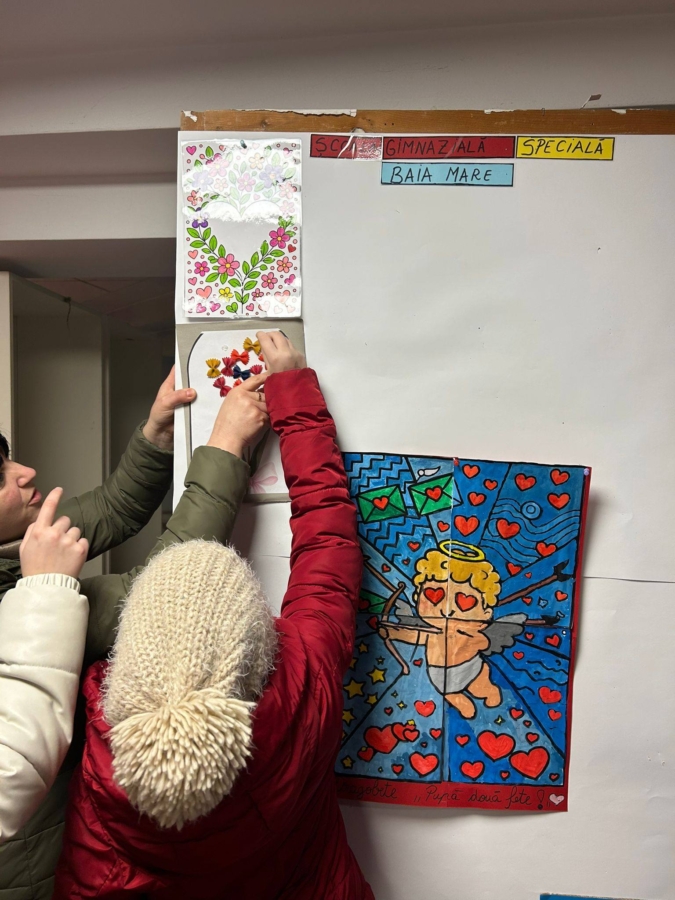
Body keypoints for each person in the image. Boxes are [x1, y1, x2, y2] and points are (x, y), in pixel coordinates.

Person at [54, 332, 374, 900]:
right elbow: (329, 541)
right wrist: (294, 397)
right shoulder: (305, 678)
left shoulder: (93, 733)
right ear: (259, 638)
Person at [0, 369, 198, 897]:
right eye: (0, 477)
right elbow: (161, 589)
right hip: (37, 873)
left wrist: (157, 432)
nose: (25, 471)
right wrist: (224, 450)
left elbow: (112, 507)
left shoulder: (11, 544)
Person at [0, 486, 90, 842]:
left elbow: (115, 506)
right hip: (36, 845)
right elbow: (11, 774)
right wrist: (47, 588)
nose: (25, 473)